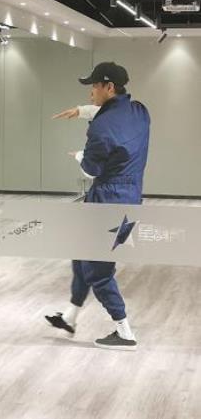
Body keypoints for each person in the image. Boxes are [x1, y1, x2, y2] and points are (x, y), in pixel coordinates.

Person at [46, 62, 150, 351]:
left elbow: (90, 170)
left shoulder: (101, 129)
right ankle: (70, 317)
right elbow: (114, 116)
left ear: (109, 87)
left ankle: (125, 332)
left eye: (94, 86)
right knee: (82, 254)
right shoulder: (140, 112)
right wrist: (81, 111)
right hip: (131, 198)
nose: (91, 92)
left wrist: (80, 155)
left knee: (98, 269)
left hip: (106, 201)